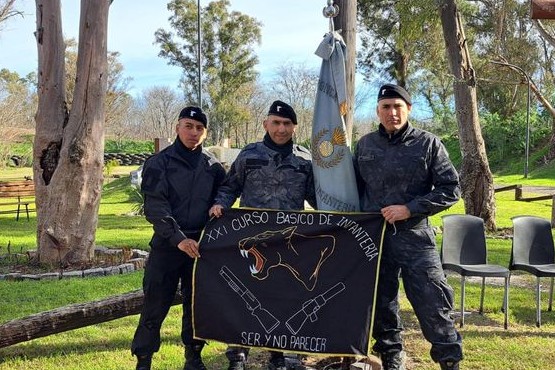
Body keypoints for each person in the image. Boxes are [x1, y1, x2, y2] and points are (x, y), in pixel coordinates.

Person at [353, 84, 463, 370]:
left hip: (415, 237)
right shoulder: (364, 145)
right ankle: (391, 355)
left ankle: (449, 358)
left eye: (398, 106)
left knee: (432, 298)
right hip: (375, 238)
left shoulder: (428, 144)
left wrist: (409, 209)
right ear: (377, 111)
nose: (392, 113)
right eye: (386, 107)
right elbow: (352, 190)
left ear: (409, 109)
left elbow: (451, 189)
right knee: (381, 299)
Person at [209, 100, 317, 370]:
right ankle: (237, 354)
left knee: (282, 297)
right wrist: (221, 203)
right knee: (244, 296)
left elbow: (318, 199)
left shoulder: (305, 160)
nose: (281, 129)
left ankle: (278, 354)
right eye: (276, 123)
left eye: (287, 124)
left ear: (294, 126)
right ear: (265, 124)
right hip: (251, 240)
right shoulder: (249, 155)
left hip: (285, 242)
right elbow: (230, 186)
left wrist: (344, 217)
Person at [131, 106, 226, 370]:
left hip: (200, 249)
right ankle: (144, 360)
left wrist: (219, 207)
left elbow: (224, 197)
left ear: (205, 132)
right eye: (188, 126)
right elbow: (156, 207)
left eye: (199, 128)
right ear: (177, 127)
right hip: (168, 246)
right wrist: (178, 239)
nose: (193, 133)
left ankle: (193, 358)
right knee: (154, 305)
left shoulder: (213, 166)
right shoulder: (158, 163)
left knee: (195, 307)